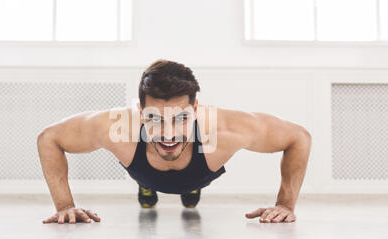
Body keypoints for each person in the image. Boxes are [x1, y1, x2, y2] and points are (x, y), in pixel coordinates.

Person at [37, 59, 311, 224]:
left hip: (200, 173)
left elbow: (299, 137)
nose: (168, 133)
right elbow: (49, 138)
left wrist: (285, 205)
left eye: (180, 118)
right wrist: (65, 206)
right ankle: (146, 185)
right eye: (155, 119)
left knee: (189, 189)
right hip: (144, 168)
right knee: (150, 171)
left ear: (195, 110)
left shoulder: (227, 128)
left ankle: (190, 190)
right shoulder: (115, 127)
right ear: (141, 113)